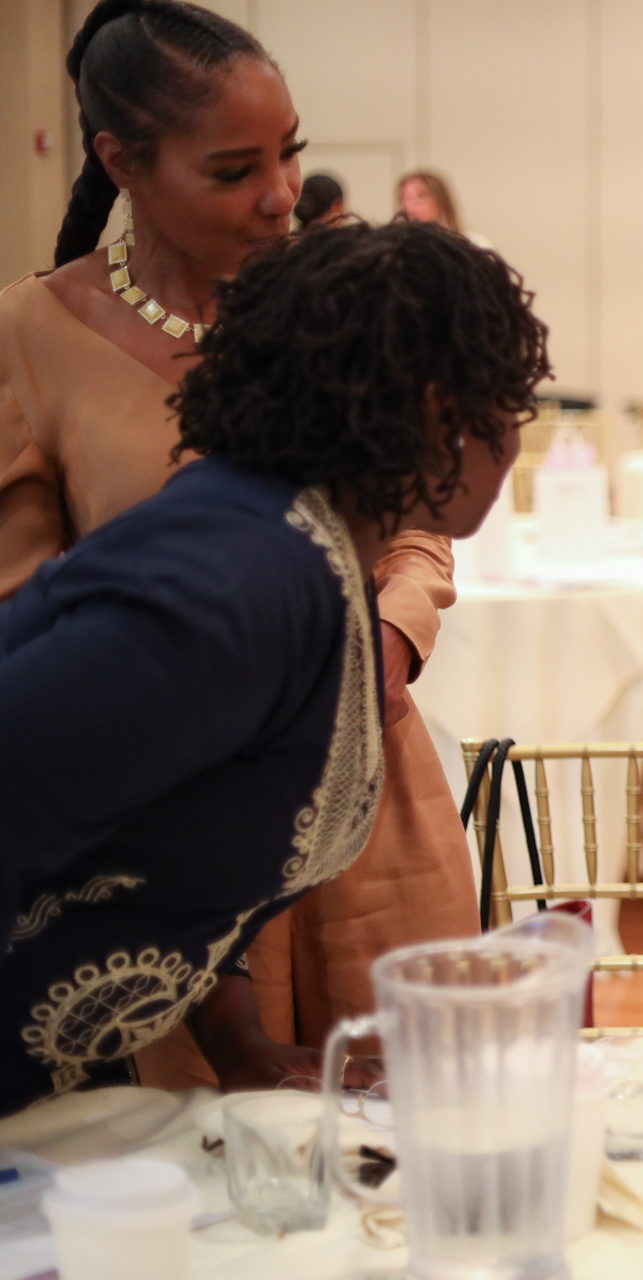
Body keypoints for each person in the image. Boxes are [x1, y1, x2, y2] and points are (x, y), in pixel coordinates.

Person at [1, 0, 481, 1090]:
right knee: (202, 1168)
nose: (279, 197)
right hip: (160, 822)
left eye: (290, 154)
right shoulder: (31, 337)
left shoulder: (328, 297)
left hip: (362, 779)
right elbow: (37, 616)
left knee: (391, 1130)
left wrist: (388, 640)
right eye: (232, 170)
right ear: (120, 161)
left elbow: (415, 513)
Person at [395, 167, 489, 248]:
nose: (410, 204)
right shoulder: (395, 248)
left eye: (422, 195)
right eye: (404, 198)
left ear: (441, 200)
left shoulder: (475, 245)